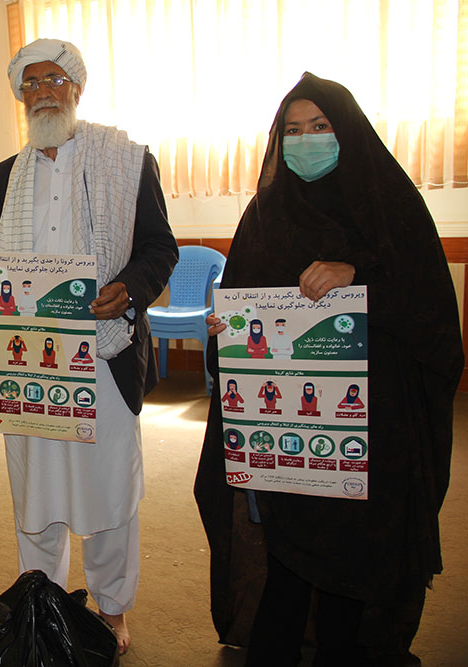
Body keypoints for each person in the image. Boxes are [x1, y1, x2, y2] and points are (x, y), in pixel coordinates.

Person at [194, 73, 463, 666]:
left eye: (320, 127)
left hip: (372, 428)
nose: (306, 141)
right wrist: (226, 332)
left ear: (348, 131)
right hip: (287, 427)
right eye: (293, 130)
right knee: (287, 561)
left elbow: (432, 318)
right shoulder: (264, 215)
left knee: (352, 564)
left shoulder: (390, 206)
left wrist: (358, 278)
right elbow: (239, 309)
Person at [0, 38, 178, 653]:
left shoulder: (128, 161)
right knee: (34, 484)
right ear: (21, 96)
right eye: (31, 83)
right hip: (28, 360)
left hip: (103, 354)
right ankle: (41, 596)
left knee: (108, 486)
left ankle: (112, 607)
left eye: (55, 78)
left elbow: (161, 249)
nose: (44, 91)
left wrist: (128, 290)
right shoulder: (7, 174)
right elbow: (7, 263)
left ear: (77, 88)